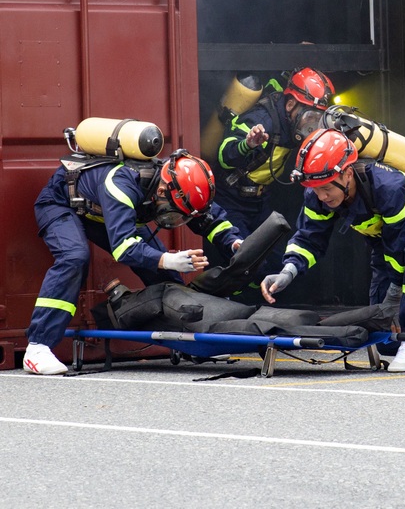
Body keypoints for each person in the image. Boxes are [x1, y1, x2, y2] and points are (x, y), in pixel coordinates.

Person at [260, 129, 405, 372]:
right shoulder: (318, 193)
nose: (321, 196)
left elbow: (400, 244)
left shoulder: (387, 186)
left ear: (347, 174)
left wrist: (395, 296)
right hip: (387, 247)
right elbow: (309, 237)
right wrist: (288, 272)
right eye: (315, 188)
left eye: (326, 188)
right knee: (385, 340)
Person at [24, 149, 244, 375]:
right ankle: (38, 347)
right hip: (61, 203)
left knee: (164, 276)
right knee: (74, 257)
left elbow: (205, 216)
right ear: (161, 191)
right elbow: (125, 248)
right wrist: (167, 259)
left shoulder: (178, 186)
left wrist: (233, 242)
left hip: (103, 210)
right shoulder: (121, 184)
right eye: (174, 213)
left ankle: (190, 342)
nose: (176, 219)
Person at [214, 67, 335, 239]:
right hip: (231, 200)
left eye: (318, 118)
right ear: (290, 104)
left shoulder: (291, 123)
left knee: (276, 250)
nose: (311, 125)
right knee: (244, 252)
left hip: (261, 201)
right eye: (309, 116)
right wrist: (247, 144)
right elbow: (224, 156)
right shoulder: (262, 121)